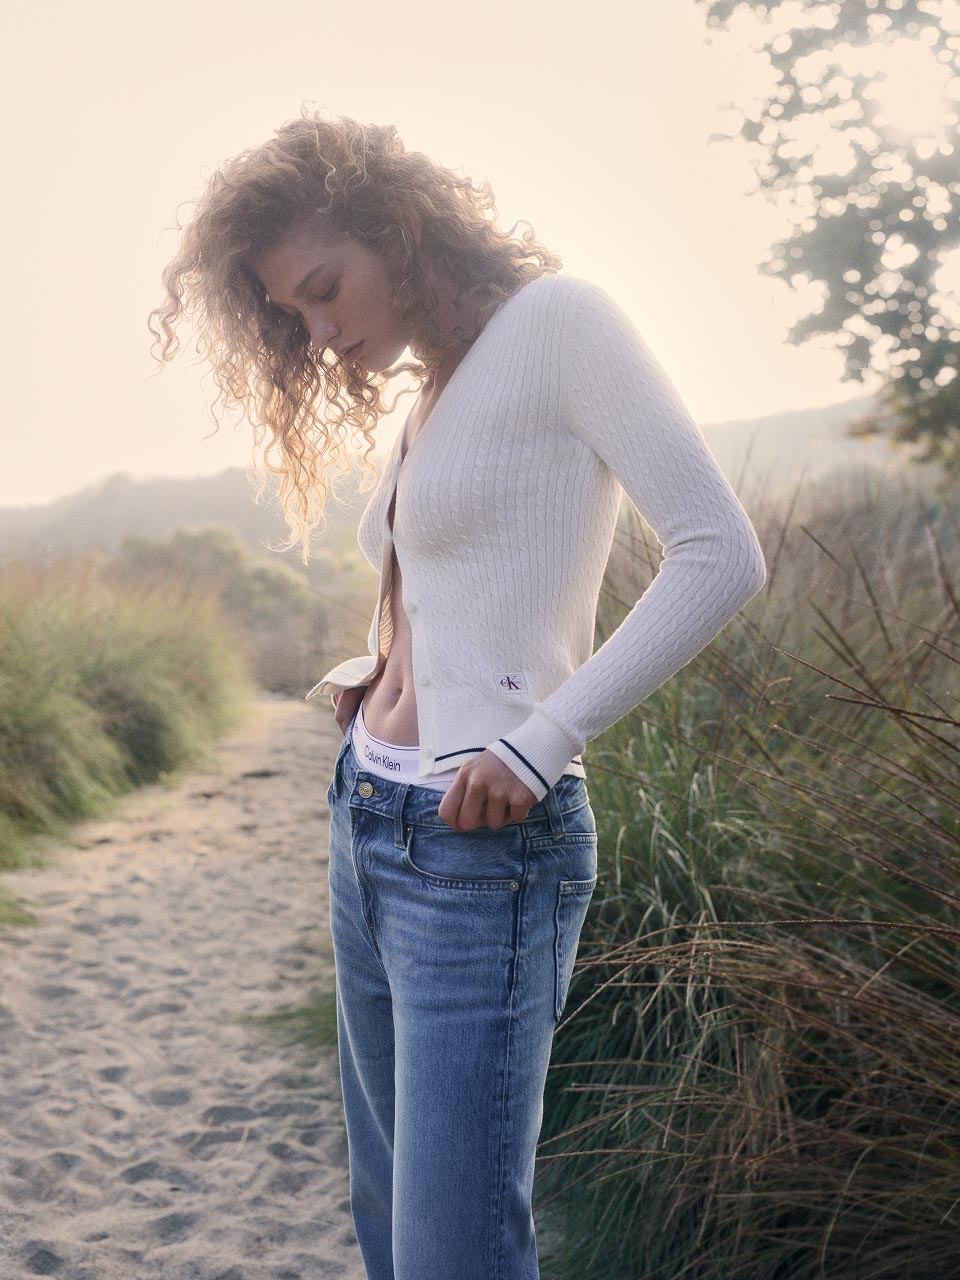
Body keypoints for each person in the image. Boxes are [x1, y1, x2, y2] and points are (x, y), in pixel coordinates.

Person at [150, 108, 767, 1280]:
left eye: (328, 289)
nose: (321, 332)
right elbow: (458, 584)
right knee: (388, 1219)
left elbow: (721, 552)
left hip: (483, 847)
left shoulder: (561, 322)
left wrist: (541, 741)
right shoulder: (443, 376)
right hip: (368, 822)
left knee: (455, 1250)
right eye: (295, 313)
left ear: (403, 229)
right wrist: (370, 674)